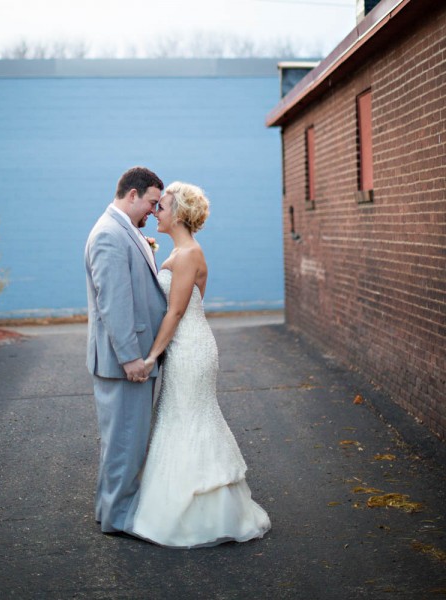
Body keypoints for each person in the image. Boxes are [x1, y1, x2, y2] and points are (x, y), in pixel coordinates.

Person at [123, 181, 271, 548]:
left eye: (163, 205)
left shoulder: (188, 254)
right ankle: (180, 507)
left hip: (190, 349)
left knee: (189, 420)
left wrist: (153, 355)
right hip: (186, 344)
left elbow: (176, 312)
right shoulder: (182, 251)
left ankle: (198, 516)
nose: (157, 211)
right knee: (178, 418)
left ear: (179, 214)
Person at [84, 166, 167, 534]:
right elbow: (113, 303)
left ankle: (110, 511)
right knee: (124, 445)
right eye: (151, 202)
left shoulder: (123, 231)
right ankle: (119, 519)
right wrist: (132, 357)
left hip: (130, 360)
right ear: (131, 195)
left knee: (122, 442)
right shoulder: (108, 235)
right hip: (124, 363)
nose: (153, 210)